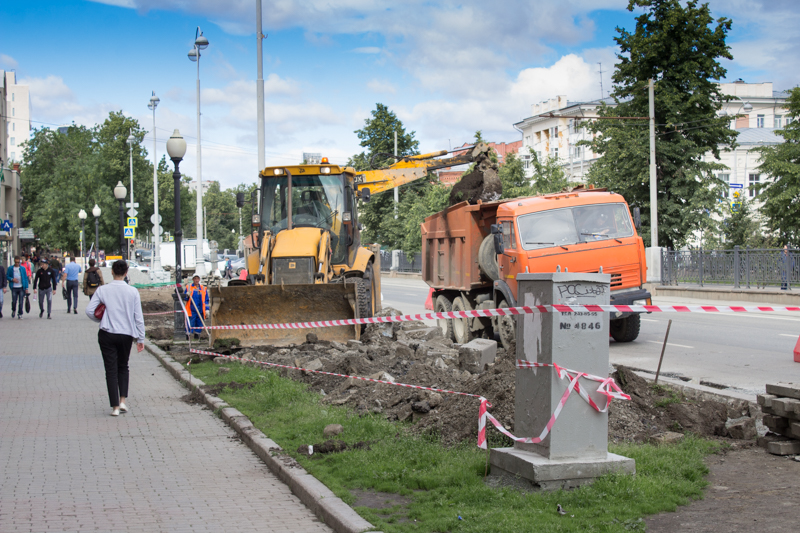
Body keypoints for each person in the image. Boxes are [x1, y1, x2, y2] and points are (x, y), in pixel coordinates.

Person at [85, 260, 145, 417]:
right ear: (126, 273)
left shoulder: (102, 290)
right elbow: (138, 317)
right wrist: (140, 338)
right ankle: (123, 400)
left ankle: (115, 408)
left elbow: (89, 310)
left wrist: (101, 320)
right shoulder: (133, 292)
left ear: (111, 272)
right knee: (123, 366)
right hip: (126, 334)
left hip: (107, 333)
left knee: (110, 370)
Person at [183, 274, 209, 340]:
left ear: (199, 279)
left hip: (201, 310)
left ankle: (197, 337)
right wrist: (187, 295)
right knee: (190, 323)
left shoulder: (203, 288)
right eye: (195, 279)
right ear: (193, 279)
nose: (196, 280)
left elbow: (206, 300)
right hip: (191, 310)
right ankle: (188, 337)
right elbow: (185, 298)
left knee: (199, 324)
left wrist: (207, 309)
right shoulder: (188, 287)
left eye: (197, 279)